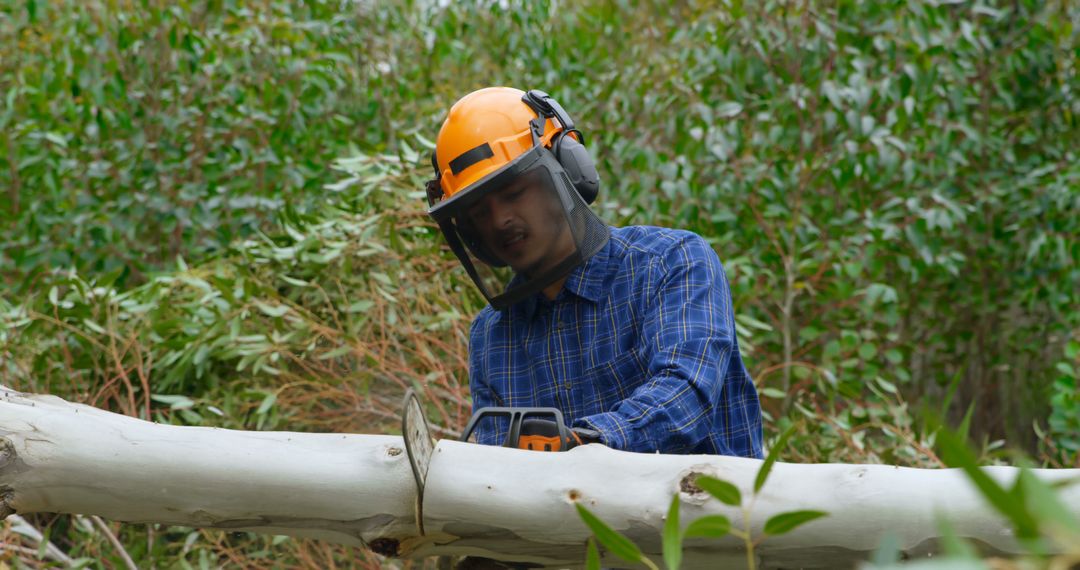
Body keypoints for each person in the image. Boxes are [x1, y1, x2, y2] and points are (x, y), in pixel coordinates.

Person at [424, 87, 763, 458]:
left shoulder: (671, 264)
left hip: (704, 511)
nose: (499, 220)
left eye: (513, 192)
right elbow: (501, 473)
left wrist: (585, 442)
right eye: (478, 212)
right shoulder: (493, 337)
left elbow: (686, 394)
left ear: (568, 167)